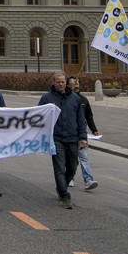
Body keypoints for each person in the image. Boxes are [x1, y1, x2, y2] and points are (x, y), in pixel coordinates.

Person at [38, 71, 88, 209]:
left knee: (72, 167)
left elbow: (81, 120)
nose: (61, 84)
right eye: (58, 82)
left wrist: (83, 137)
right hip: (56, 138)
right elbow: (38, 117)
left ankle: (62, 187)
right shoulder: (46, 98)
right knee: (59, 168)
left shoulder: (75, 98)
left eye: (63, 82)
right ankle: (64, 195)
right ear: (53, 82)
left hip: (72, 138)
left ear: (66, 82)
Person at [67, 77, 100, 191]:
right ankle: (69, 177)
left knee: (84, 157)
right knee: (72, 158)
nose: (76, 84)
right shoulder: (66, 99)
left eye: (78, 82)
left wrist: (94, 129)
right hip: (69, 133)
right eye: (73, 82)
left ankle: (88, 180)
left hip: (82, 134)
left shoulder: (83, 100)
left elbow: (89, 116)